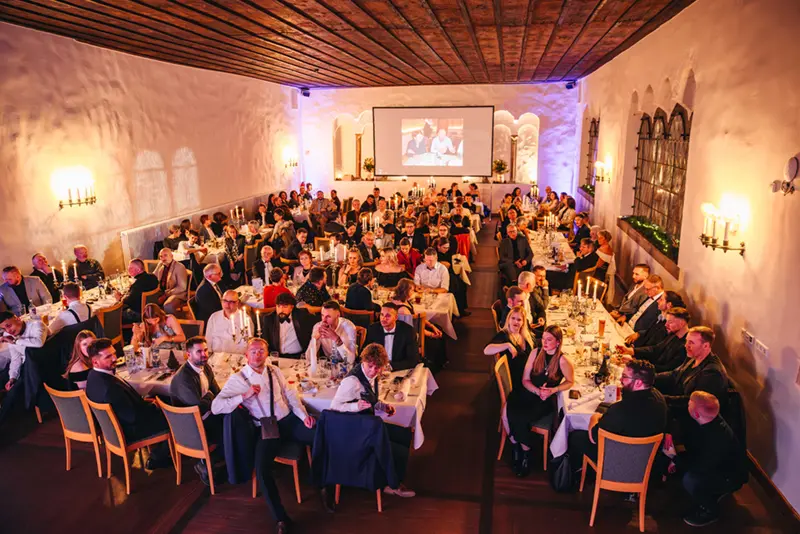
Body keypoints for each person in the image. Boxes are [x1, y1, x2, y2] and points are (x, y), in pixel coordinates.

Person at [211, 337, 324, 531]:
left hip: (289, 421)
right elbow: (215, 407)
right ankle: (281, 519)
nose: (257, 355)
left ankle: (324, 485)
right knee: (262, 470)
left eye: (261, 351)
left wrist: (303, 416)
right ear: (246, 355)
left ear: (266, 353)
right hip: (267, 429)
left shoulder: (274, 370)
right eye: (253, 351)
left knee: (322, 438)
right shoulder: (238, 379)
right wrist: (243, 396)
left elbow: (290, 395)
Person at [330, 343, 416, 498]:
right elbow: (334, 407)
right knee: (399, 451)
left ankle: (393, 477)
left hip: (368, 423)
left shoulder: (373, 376)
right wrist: (355, 406)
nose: (373, 371)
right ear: (363, 361)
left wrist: (383, 406)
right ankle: (392, 485)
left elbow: (370, 398)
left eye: (377, 368)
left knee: (404, 434)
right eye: (370, 366)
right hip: (355, 430)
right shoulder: (352, 382)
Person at [567, 359, 668, 474]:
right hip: (647, 463)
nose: (620, 380)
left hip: (619, 462)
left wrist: (594, 417)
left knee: (575, 436)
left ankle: (577, 474)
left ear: (638, 383)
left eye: (624, 377)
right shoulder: (659, 398)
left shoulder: (620, 410)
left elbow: (593, 438)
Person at [85, 338, 172, 469]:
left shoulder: (92, 376)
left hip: (116, 427)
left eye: (114, 353)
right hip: (130, 431)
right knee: (173, 415)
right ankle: (158, 458)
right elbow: (133, 417)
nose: (115, 358)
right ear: (95, 361)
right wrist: (155, 406)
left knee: (160, 398)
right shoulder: (109, 388)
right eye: (108, 357)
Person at [666, 391, 748, 527]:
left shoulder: (717, 440)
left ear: (696, 414)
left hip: (727, 476)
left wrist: (673, 457)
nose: (687, 405)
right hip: (708, 463)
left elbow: (699, 466)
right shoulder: (707, 419)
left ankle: (710, 510)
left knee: (691, 480)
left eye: (689, 405)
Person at [505, 325, 574, 477]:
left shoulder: (563, 360)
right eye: (543, 339)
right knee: (511, 409)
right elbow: (525, 380)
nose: (544, 342)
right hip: (529, 391)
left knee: (521, 417)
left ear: (558, 342)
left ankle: (523, 454)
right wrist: (537, 391)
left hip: (544, 400)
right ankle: (522, 450)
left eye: (549, 340)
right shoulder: (535, 353)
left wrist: (553, 390)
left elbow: (570, 381)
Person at [170, 335, 223, 485]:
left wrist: (211, 397)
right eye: (199, 352)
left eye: (205, 350)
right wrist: (210, 397)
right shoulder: (184, 378)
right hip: (191, 424)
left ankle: (219, 461)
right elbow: (198, 408)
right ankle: (205, 464)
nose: (204, 354)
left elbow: (217, 392)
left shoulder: (205, 367)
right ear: (188, 354)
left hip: (206, 414)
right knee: (231, 428)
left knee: (237, 419)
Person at [655, 326, 729, 418]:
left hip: (687, 416)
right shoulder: (694, 357)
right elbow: (674, 375)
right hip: (675, 403)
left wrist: (660, 398)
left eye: (691, 342)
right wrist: (650, 377)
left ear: (706, 346)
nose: (686, 346)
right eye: (686, 341)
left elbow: (692, 402)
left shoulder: (712, 373)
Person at [618, 307, 691, 373]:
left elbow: (667, 369)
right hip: (648, 370)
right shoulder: (673, 333)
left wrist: (637, 364)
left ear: (682, 323)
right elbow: (656, 349)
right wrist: (631, 351)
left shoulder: (686, 346)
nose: (666, 325)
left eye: (670, 322)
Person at [484, 305, 534, 394]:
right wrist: (507, 345)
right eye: (513, 318)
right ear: (508, 319)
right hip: (517, 381)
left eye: (519, 319)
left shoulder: (525, 335)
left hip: (528, 374)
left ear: (523, 322)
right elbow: (487, 350)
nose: (515, 321)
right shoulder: (504, 335)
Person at [0, 311, 49, 393]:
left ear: (18, 319)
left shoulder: (37, 325)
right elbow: (16, 358)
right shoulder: (8, 335)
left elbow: (39, 343)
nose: (8, 331)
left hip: (40, 367)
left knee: (14, 394)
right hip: (25, 366)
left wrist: (15, 341)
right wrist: (13, 377)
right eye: (4, 329)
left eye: (9, 325)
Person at [364, 303, 418, 370]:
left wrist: (390, 366)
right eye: (382, 315)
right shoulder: (373, 329)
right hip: (377, 370)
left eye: (388, 316)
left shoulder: (408, 331)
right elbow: (364, 355)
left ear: (396, 317)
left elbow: (413, 360)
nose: (383, 318)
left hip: (400, 370)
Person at [263, 293, 314, 358]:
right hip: (278, 357)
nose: (281, 310)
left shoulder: (302, 316)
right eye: (278, 306)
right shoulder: (269, 319)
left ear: (292, 307)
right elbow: (265, 342)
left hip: (298, 357)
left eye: (285, 307)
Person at [115, 259, 159, 324]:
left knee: (114, 315)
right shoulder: (153, 277)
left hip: (140, 314)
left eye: (131, 268)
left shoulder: (137, 284)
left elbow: (130, 302)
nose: (128, 270)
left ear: (138, 270)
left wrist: (120, 298)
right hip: (153, 310)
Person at [153, 248, 189, 315]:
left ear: (171, 256)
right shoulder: (162, 266)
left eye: (165, 255)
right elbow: (153, 279)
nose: (163, 258)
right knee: (148, 299)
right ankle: (157, 320)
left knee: (168, 305)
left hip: (177, 294)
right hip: (162, 291)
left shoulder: (179, 267)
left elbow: (182, 287)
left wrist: (166, 295)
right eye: (161, 256)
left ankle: (171, 320)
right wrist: (158, 266)